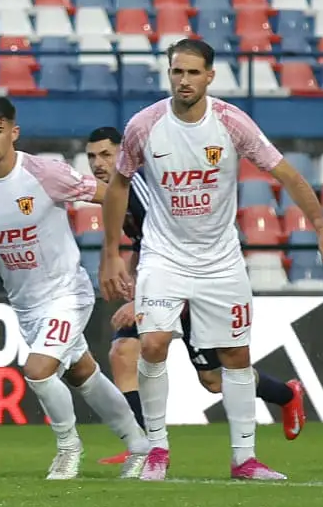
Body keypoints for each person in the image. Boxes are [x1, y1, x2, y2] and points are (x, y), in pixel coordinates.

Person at [99, 39, 323, 481]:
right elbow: (119, 185)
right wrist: (110, 256)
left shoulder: (231, 123)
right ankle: (157, 450)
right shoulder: (145, 126)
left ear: (209, 77)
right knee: (153, 343)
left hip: (221, 261)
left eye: (193, 73)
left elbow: (286, 174)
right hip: (165, 256)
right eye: (177, 72)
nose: (184, 80)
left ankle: (244, 459)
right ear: (169, 74)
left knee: (235, 356)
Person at [0, 98, 149, 479]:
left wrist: (117, 250)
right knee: (82, 373)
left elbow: (113, 194)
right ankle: (140, 445)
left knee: (38, 370)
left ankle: (69, 448)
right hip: (26, 304)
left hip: (67, 292)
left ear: (13, 133)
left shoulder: (44, 173)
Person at [84, 126, 307, 472]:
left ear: (124, 155)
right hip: (164, 278)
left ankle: (287, 395)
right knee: (124, 351)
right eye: (92, 157)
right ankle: (144, 446)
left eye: (106, 154)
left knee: (214, 380)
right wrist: (130, 275)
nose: (98, 163)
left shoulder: (141, 187)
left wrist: (139, 297)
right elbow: (145, 243)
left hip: (194, 277)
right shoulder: (119, 193)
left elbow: (166, 244)